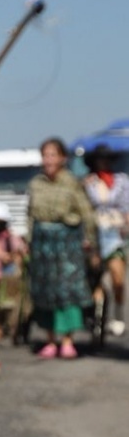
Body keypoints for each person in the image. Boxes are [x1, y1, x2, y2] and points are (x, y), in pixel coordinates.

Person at [27, 138, 98, 359]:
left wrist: (90, 242)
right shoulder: (36, 183)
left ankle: (67, 340)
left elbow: (86, 213)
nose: (48, 160)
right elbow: (30, 215)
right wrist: (28, 242)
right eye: (45, 155)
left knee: (67, 291)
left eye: (52, 155)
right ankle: (50, 339)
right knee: (45, 291)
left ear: (62, 158)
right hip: (42, 243)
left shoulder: (71, 183)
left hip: (67, 243)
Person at [82, 143, 129, 337]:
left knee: (118, 278)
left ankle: (118, 314)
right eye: (100, 159)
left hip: (115, 232)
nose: (103, 162)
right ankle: (98, 316)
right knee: (97, 277)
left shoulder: (121, 181)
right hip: (94, 232)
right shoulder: (88, 182)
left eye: (106, 159)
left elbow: (126, 206)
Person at [0, 201, 27, 342]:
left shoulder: (10, 238)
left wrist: (13, 259)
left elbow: (21, 252)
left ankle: (4, 327)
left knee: (6, 305)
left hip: (5, 280)